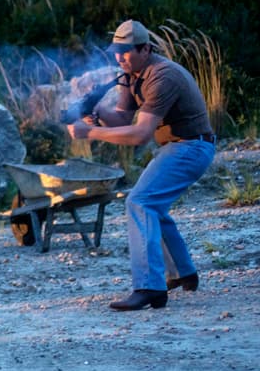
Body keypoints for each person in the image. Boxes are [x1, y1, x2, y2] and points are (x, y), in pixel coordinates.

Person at [67, 19, 216, 311]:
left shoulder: (162, 76)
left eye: (126, 51)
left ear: (146, 49)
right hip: (177, 146)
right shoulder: (132, 75)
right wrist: (96, 112)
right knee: (152, 206)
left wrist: (90, 132)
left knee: (140, 202)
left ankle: (149, 287)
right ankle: (183, 273)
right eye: (116, 52)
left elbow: (139, 135)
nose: (119, 57)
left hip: (192, 146)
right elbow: (122, 118)